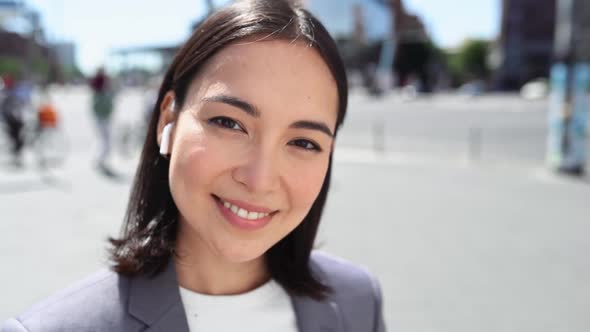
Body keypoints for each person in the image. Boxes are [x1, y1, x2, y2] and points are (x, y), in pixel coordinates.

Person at [1, 0, 385, 331]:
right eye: (229, 123)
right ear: (169, 118)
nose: (259, 179)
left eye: (303, 142)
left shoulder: (358, 302)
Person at [89, 67, 115, 174]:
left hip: (101, 119)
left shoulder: (98, 95)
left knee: (102, 141)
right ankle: (100, 160)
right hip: (103, 119)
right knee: (105, 142)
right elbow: (106, 107)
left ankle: (99, 160)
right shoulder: (101, 95)